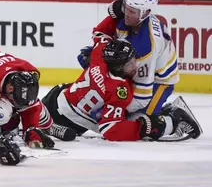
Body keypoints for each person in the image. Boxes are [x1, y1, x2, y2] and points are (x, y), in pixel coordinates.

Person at [43, 38, 201, 141]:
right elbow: (110, 129)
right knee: (144, 124)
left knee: (29, 119)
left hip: (58, 95)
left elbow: (101, 39)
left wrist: (116, 10)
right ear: (118, 67)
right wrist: (143, 128)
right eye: (129, 64)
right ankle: (171, 121)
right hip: (67, 120)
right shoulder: (119, 90)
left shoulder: (100, 55)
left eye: (133, 59)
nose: (135, 66)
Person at [90, 0, 180, 117]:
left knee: (141, 124)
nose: (127, 13)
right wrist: (97, 52)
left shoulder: (146, 46)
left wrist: (112, 111)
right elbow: (99, 31)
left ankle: (176, 117)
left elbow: (141, 97)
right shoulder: (125, 13)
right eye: (126, 8)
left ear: (146, 13)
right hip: (134, 69)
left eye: (131, 11)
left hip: (159, 81)